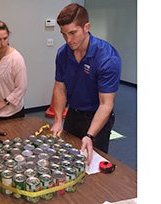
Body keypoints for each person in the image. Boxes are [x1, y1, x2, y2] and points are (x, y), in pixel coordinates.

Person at [50, 3, 121, 166]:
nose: (68, 40)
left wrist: (89, 136)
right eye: (64, 34)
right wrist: (58, 119)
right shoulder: (63, 54)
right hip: (73, 114)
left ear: (86, 27)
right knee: (66, 159)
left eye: (73, 33)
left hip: (98, 117)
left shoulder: (107, 59)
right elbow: (60, 88)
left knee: (92, 165)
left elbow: (106, 104)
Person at [0, 20, 28, 122]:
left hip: (13, 112)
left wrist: (5, 102)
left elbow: (22, 88)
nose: (3, 43)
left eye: (5, 38)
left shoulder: (16, 58)